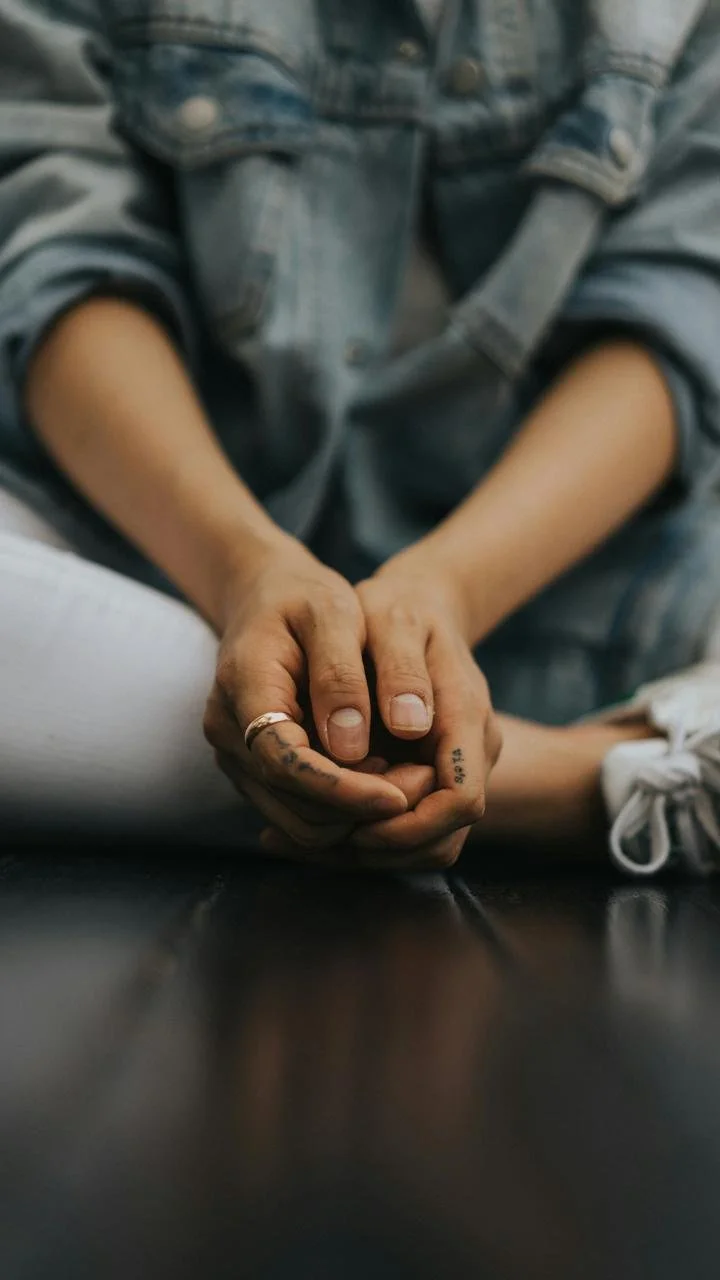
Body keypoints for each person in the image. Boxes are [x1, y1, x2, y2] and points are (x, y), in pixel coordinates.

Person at [2, 0, 720, 875]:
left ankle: (329, 772)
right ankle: (585, 785)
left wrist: (443, 587)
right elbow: (62, 262)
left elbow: (673, 318)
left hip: (584, 603)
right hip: (155, 551)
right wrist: (245, 569)